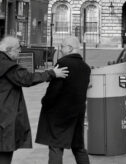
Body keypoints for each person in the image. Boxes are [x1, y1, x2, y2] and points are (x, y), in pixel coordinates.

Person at [0, 35, 68, 164]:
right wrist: (51, 73)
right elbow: (27, 78)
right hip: (5, 115)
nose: (20, 52)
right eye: (18, 49)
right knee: (4, 151)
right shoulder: (7, 65)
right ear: (9, 50)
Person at [36, 36, 91, 164]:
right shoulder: (85, 67)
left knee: (55, 146)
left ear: (70, 48)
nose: (60, 49)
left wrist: (45, 102)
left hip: (59, 113)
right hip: (77, 112)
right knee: (78, 147)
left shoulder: (64, 63)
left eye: (62, 46)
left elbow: (54, 90)